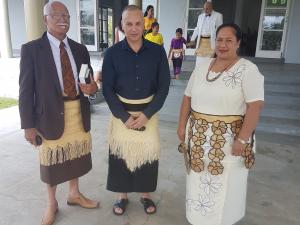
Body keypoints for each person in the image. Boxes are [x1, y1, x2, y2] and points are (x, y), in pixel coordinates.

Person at [18, 2, 99, 225]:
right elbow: (25, 90)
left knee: (75, 156)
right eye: (56, 15)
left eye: (66, 15)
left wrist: (93, 90)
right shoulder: (32, 49)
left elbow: (89, 82)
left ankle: (74, 193)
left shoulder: (80, 49)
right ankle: (51, 203)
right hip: (49, 115)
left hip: (77, 112)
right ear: (45, 19)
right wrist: (28, 125)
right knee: (51, 162)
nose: (63, 18)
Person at [177, 23, 264, 225]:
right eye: (220, 40)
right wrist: (182, 126)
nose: (223, 45)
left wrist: (242, 139)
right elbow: (187, 98)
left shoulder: (248, 70)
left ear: (238, 43)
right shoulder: (201, 67)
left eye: (229, 40)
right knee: (198, 181)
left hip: (229, 141)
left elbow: (255, 107)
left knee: (227, 184)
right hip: (198, 139)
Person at [102, 5, 170, 216]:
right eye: (128, 24)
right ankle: (121, 196)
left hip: (148, 112)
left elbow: (163, 86)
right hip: (121, 113)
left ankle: (145, 194)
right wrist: (123, 117)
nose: (133, 28)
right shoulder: (112, 53)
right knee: (121, 155)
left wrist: (147, 114)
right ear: (121, 25)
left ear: (145, 24)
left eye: (138, 23)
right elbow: (107, 89)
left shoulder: (157, 51)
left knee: (147, 155)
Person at [189, 0, 223, 66]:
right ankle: (198, 75)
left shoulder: (218, 15)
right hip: (201, 41)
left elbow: (220, 30)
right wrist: (192, 39)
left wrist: (219, 43)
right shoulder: (200, 16)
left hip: (211, 42)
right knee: (198, 63)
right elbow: (197, 28)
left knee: (209, 63)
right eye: (204, 9)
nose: (205, 10)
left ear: (211, 8)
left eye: (207, 9)